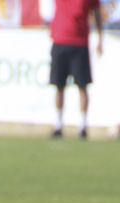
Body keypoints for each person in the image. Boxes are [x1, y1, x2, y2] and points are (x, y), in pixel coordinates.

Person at [48, 0, 104, 138]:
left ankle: (83, 125)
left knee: (82, 85)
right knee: (59, 85)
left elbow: (96, 12)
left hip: (80, 42)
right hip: (60, 39)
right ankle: (58, 124)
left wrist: (100, 37)